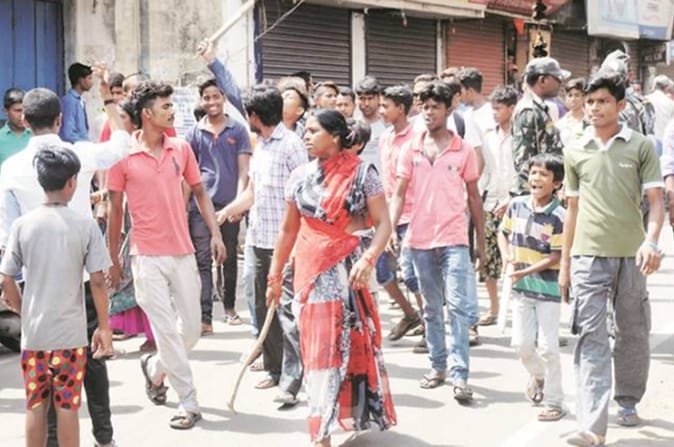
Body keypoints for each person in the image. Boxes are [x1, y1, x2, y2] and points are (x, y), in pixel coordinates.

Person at [0, 77, 130, 447]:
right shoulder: (80, 156)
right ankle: (103, 435)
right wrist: (108, 101)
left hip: (36, 285)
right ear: (60, 119)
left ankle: (53, 442)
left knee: (39, 390)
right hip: (82, 279)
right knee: (90, 363)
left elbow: (7, 235)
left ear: (25, 121)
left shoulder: (11, 168)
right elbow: (122, 144)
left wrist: (19, 305)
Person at [266, 109, 396, 446]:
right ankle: (321, 430)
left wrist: (369, 258)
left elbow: (383, 222)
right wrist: (274, 275)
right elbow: (288, 229)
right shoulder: (299, 176)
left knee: (348, 349)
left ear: (335, 137)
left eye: (313, 131)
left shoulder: (363, 173)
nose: (306, 136)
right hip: (310, 274)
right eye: (305, 131)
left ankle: (340, 420)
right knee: (318, 354)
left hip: (349, 274)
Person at [107, 81, 226, 430]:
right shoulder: (123, 156)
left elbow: (200, 193)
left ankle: (155, 367)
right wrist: (113, 259)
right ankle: (188, 401)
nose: (173, 111)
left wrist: (216, 233)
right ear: (147, 114)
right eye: (166, 106)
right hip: (145, 256)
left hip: (183, 251)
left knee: (191, 331)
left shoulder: (181, 148)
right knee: (166, 331)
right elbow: (114, 210)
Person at [560, 70, 665, 447]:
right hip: (587, 256)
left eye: (602, 101)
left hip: (632, 256)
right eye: (589, 101)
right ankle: (592, 426)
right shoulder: (574, 149)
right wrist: (565, 263)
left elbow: (656, 202)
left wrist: (651, 243)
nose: (594, 108)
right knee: (591, 336)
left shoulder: (641, 146)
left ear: (620, 105)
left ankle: (628, 399)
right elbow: (572, 210)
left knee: (632, 331)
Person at [389, 80, 484, 401]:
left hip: (454, 238)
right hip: (418, 239)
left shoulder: (463, 150)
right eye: (424, 107)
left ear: (449, 109)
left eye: (435, 107)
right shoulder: (410, 149)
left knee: (456, 307)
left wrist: (481, 243)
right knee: (431, 308)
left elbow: (474, 198)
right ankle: (438, 366)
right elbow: (398, 194)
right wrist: (390, 230)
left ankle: (460, 375)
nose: (429, 113)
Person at [216, 85, 308, 391]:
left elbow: (303, 196)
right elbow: (253, 192)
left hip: (285, 245)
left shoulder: (291, 146)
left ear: (255, 115)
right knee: (259, 307)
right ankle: (274, 369)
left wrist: (297, 246)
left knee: (286, 313)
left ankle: (293, 379)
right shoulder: (262, 146)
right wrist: (227, 211)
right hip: (257, 241)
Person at [499, 153, 566, 422]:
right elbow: (503, 233)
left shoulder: (559, 216)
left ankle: (555, 401)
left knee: (549, 347)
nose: (536, 178)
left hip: (548, 291)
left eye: (544, 175)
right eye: (534, 173)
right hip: (521, 290)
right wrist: (507, 256)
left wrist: (525, 271)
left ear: (556, 184)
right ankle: (538, 376)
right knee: (522, 345)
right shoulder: (516, 206)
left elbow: (556, 256)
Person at [186, 76, 252, 334]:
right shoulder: (194, 133)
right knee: (202, 259)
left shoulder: (238, 130)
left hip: (229, 203)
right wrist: (183, 207)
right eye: (206, 97)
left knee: (229, 257)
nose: (211, 102)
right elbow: (187, 174)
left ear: (224, 98)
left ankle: (229, 308)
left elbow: (243, 170)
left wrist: (238, 203)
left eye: (216, 96)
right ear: (201, 101)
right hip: (201, 206)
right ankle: (205, 318)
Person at [377, 85, 423, 341]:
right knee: (381, 271)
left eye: (386, 106)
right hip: (388, 215)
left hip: (414, 215)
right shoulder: (385, 138)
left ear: (401, 108)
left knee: (413, 274)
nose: (381, 111)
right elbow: (387, 181)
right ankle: (410, 314)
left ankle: (430, 325)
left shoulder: (418, 137)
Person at [477, 86, 518, 325]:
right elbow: (483, 169)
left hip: (516, 203)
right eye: (492, 108)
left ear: (511, 109)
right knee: (487, 258)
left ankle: (519, 309)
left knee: (516, 257)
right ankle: (494, 308)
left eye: (499, 108)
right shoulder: (487, 135)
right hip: (490, 202)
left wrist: (513, 197)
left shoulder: (521, 136)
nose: (494, 113)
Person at [511, 57, 569, 196]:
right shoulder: (529, 111)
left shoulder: (538, 108)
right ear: (542, 80)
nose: (560, 83)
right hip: (533, 194)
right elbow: (524, 160)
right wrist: (532, 196)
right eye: (557, 78)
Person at [354, 76, 386, 170]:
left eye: (370, 98)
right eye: (362, 99)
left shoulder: (388, 126)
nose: (366, 103)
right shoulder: (353, 126)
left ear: (379, 98)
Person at [60, 62, 93, 143]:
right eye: (89, 78)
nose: (91, 82)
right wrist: (86, 144)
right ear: (81, 80)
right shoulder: (69, 101)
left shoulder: (80, 100)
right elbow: (68, 133)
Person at [0, 88, 31, 166]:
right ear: (5, 111)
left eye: (25, 110)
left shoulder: (37, 135)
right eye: (18, 110)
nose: (23, 115)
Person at [645, 75, 674, 153]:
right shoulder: (671, 103)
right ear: (667, 88)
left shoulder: (645, 99)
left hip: (648, 141)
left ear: (654, 86)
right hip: (665, 143)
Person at [556, 78, 587, 148]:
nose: (573, 99)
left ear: (584, 97)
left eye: (577, 95)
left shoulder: (590, 121)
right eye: (570, 95)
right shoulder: (560, 123)